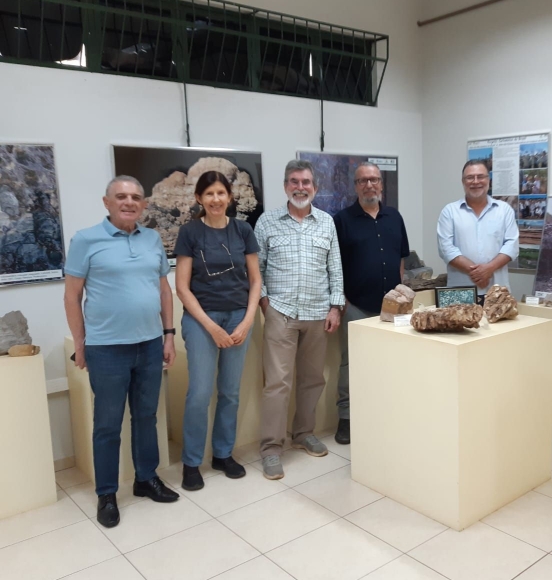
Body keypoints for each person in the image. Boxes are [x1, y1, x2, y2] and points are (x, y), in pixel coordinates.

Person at [64, 175, 179, 529]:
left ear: (143, 204)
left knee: (146, 417)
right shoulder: (86, 240)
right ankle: (108, 494)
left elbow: (163, 290)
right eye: (121, 197)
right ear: (107, 202)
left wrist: (169, 335)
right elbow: (72, 296)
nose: (129, 202)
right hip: (106, 349)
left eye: (135, 197)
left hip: (148, 345)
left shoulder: (152, 239)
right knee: (107, 425)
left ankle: (146, 479)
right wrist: (81, 344)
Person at [255, 160, 345, 480]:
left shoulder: (326, 223)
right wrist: (266, 304)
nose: (300, 187)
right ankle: (270, 449)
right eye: (294, 181)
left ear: (315, 188)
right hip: (281, 312)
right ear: (285, 186)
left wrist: (335, 307)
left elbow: (335, 268)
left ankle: (303, 433)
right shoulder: (267, 222)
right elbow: (257, 271)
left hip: (318, 313)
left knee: (312, 379)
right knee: (278, 384)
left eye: (306, 182)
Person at [173, 171, 262, 491]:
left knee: (230, 391)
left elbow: (255, 281)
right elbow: (182, 288)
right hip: (201, 320)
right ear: (199, 198)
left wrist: (248, 320)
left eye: (221, 193)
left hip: (239, 317)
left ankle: (223, 454)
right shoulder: (190, 232)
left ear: (229, 197)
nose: (215, 199)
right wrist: (211, 327)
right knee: (199, 393)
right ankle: (192, 462)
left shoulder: (243, 230)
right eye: (208, 194)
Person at [333, 162, 409, 445]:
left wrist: (398, 297)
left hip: (392, 308)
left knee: (389, 361)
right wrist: (342, 301)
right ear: (355, 186)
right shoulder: (342, 220)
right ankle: (346, 418)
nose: (369, 185)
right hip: (356, 305)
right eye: (363, 181)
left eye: (374, 180)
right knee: (349, 364)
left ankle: (385, 411)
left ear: (381, 184)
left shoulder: (394, 217)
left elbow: (401, 259)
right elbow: (335, 265)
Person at [437, 160, 519, 304]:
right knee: (456, 326)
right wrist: (478, 273)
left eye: (481, 176)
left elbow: (511, 246)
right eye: (470, 177)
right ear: (463, 181)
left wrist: (488, 269)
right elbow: (446, 249)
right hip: (459, 293)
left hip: (498, 292)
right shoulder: (449, 211)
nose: (476, 182)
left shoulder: (504, 210)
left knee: (501, 327)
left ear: (489, 180)